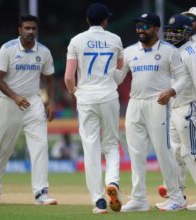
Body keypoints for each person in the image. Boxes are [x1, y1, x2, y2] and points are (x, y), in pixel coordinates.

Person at [114, 13, 188, 212]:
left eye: (145, 26)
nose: (140, 30)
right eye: (138, 26)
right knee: (136, 153)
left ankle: (176, 197)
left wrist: (171, 91)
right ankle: (139, 198)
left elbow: (183, 78)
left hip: (158, 103)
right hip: (134, 104)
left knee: (163, 151)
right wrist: (103, 69)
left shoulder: (169, 51)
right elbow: (118, 78)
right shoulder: (129, 51)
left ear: (156, 29)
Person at [0, 14, 57, 206]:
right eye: (26, 28)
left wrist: (50, 102)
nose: (30, 31)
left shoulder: (43, 52)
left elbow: (50, 79)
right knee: (3, 149)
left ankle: (41, 194)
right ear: (19, 30)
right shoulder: (7, 49)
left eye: (33, 28)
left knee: (40, 146)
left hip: (33, 102)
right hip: (9, 103)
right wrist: (15, 96)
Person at [155, 14, 196, 211]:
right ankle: (178, 196)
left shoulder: (192, 53)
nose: (172, 35)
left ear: (187, 33)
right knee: (176, 153)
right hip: (176, 106)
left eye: (177, 31)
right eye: (170, 31)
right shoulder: (175, 52)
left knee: (191, 151)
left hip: (189, 107)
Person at [64, 3, 124, 214]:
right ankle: (113, 182)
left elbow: (69, 77)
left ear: (87, 20)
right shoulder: (115, 39)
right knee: (111, 144)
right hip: (108, 96)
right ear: (105, 21)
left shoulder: (76, 41)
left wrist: (75, 93)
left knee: (90, 147)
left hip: (86, 97)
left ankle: (99, 200)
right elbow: (119, 69)